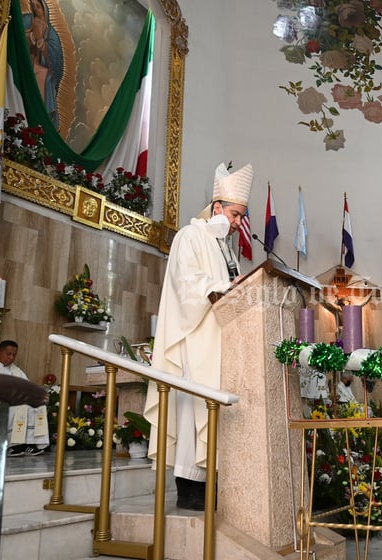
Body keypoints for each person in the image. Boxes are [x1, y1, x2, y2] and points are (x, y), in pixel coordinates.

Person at [143, 162, 252, 511]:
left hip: (221, 343)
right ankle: (190, 488)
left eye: (240, 217)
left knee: (214, 414)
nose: (238, 223)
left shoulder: (225, 249)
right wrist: (223, 287)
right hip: (195, 340)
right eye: (235, 215)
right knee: (193, 413)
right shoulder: (189, 236)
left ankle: (214, 484)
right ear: (217, 207)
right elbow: (186, 283)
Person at [0, 340, 49, 456]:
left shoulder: (17, 371)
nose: (11, 358)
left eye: (14, 355)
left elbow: (27, 386)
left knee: (37, 406)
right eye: (8, 354)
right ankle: (12, 445)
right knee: (17, 408)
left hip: (15, 401)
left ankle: (30, 444)